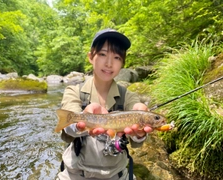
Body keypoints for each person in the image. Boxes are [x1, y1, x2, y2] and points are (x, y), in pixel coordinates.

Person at [57, 28, 154, 180]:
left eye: (116, 57)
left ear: (122, 63)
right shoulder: (74, 91)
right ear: (91, 57)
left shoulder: (128, 96)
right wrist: (81, 121)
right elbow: (69, 128)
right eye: (102, 54)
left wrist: (140, 134)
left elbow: (136, 137)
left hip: (116, 174)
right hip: (76, 174)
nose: (109, 63)